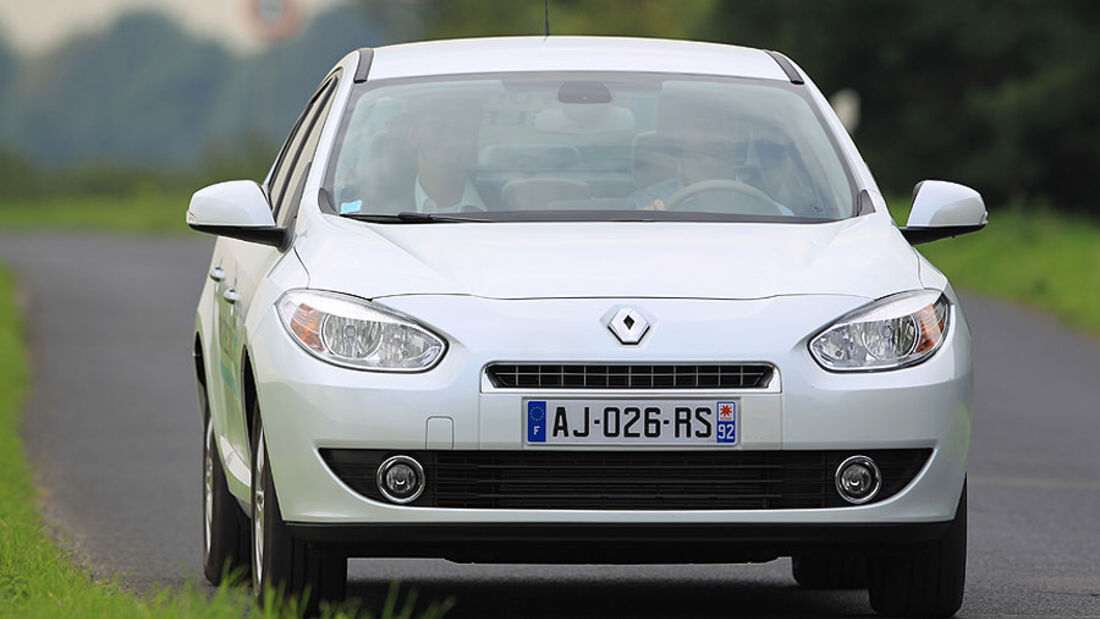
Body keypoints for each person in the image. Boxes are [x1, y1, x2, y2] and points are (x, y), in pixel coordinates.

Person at [405, 95, 488, 213]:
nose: (451, 135)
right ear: (413, 136)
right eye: (437, 125)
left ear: (475, 137)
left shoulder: (508, 207)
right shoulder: (376, 205)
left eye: (461, 127)